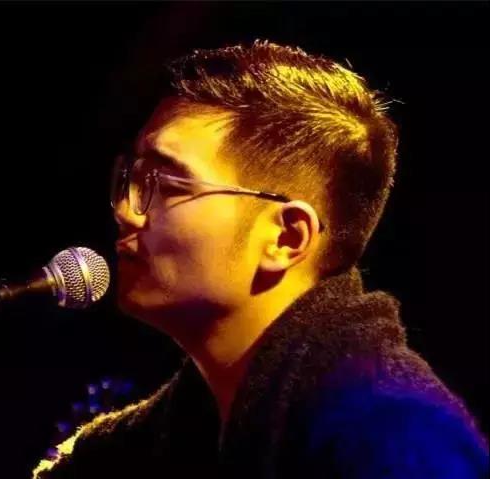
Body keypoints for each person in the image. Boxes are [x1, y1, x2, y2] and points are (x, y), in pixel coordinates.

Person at [33, 41, 489, 478]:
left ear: (286, 237)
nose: (126, 210)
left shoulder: (396, 437)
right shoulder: (155, 440)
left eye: (167, 184)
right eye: (132, 178)